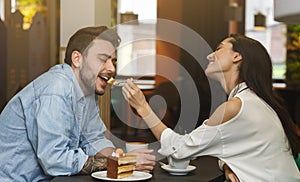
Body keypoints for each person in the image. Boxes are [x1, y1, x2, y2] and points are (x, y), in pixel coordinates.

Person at [122, 34, 300, 181]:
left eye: (219, 48)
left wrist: (143, 107)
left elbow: (179, 150)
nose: (209, 56)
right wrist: (228, 165)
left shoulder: (234, 107)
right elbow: (242, 149)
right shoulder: (256, 102)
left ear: (237, 56)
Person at [0, 26, 155, 181]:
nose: (111, 68)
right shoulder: (56, 89)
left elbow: (94, 139)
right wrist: (120, 162)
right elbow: (56, 161)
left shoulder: (86, 91)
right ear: (77, 59)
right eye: (103, 59)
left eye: (113, 61)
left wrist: (121, 159)